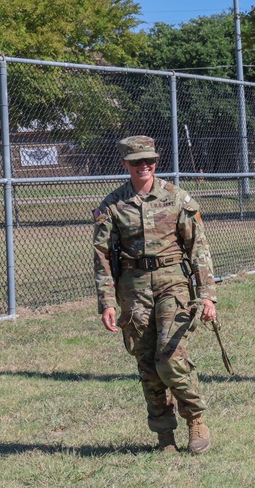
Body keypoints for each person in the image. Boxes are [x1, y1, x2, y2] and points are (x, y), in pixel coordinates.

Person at [92, 135, 218, 455]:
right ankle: (164, 436)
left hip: (172, 284)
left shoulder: (177, 198)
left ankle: (196, 420)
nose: (145, 166)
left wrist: (206, 295)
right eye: (137, 162)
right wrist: (107, 302)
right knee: (148, 365)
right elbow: (103, 257)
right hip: (133, 290)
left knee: (170, 357)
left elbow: (198, 248)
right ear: (125, 165)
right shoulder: (113, 206)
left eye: (150, 160)